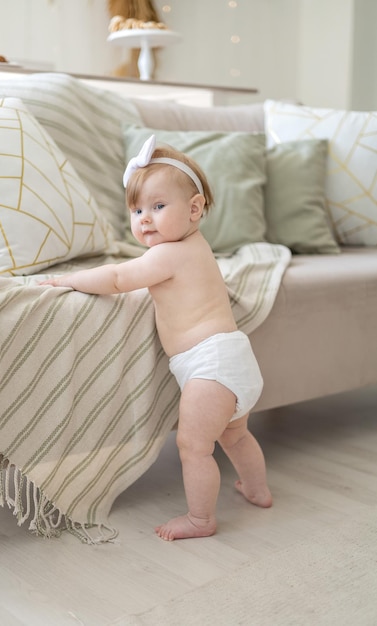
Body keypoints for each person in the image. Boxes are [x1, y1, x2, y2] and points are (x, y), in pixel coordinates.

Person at [41, 135, 272, 541]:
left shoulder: (168, 254)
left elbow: (117, 278)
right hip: (233, 360)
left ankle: (201, 519)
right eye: (136, 209)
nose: (145, 218)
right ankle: (257, 488)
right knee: (235, 434)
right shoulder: (197, 247)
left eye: (158, 206)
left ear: (195, 208)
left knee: (193, 446)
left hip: (209, 365)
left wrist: (67, 280)